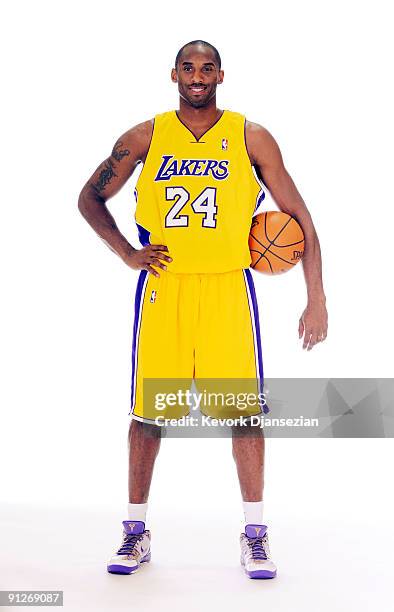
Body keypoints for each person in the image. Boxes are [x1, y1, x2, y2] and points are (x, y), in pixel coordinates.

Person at [78, 39, 328, 579]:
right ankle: (135, 533)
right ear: (173, 75)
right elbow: (89, 198)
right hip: (164, 290)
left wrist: (318, 297)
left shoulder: (249, 136)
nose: (197, 75)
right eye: (188, 67)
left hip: (226, 292)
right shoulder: (145, 136)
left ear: (221, 74)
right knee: (149, 417)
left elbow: (301, 217)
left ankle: (255, 535)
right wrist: (127, 254)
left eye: (206, 67)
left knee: (242, 414)